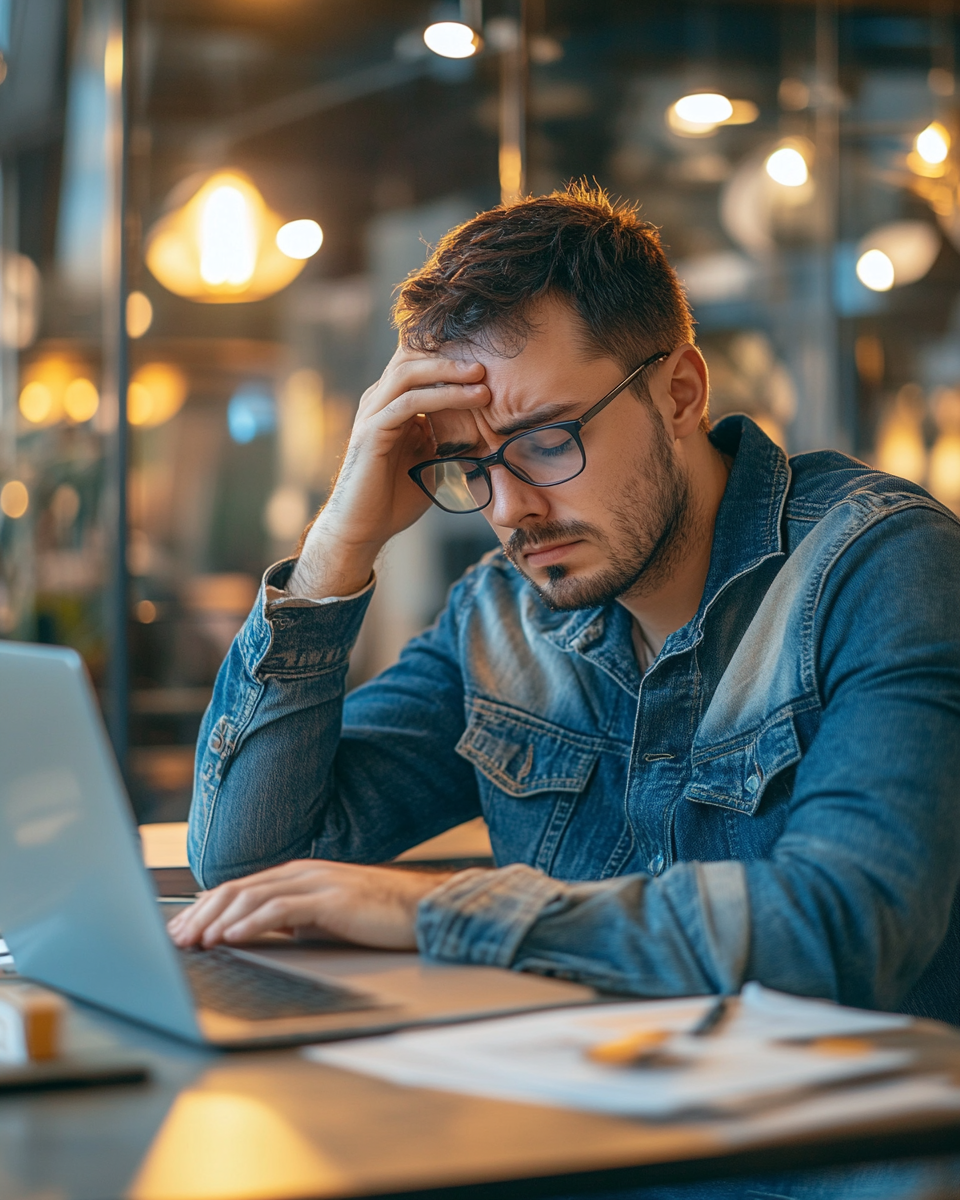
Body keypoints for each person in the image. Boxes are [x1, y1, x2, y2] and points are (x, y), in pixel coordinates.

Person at [171, 184, 960, 1033]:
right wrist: (335, 549)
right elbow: (247, 864)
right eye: (471, 465)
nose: (508, 510)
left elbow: (848, 924)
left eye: (548, 441)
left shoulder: (880, 564)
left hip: (817, 1159)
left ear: (682, 394)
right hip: (574, 1128)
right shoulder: (502, 616)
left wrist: (440, 913)